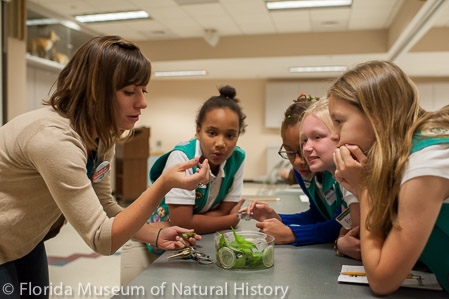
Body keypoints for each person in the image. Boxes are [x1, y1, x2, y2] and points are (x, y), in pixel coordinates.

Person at [0, 35, 208, 297]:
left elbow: (104, 207)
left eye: (143, 90)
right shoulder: (54, 139)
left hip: (25, 240)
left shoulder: (101, 136)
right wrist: (163, 184)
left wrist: (152, 235)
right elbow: (102, 239)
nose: (142, 102)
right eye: (129, 92)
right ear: (95, 93)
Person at [329, 60, 449, 295]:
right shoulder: (405, 157)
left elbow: (382, 280)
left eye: (339, 121)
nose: (334, 135)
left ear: (377, 116)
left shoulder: (427, 160)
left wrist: (365, 190)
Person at [120, 85, 247, 284]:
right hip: (145, 240)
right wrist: (231, 220)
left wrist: (202, 219)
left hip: (181, 243)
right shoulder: (183, 157)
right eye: (212, 133)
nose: (221, 143)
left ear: (238, 135)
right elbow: (185, 223)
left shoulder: (237, 158)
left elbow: (222, 210)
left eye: (230, 135)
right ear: (198, 131)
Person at [244, 94, 360, 259]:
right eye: (290, 153)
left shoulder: (341, 174)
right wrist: (278, 218)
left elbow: (342, 225)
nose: (299, 161)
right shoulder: (303, 173)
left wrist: (292, 234)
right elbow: (319, 215)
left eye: (316, 138)